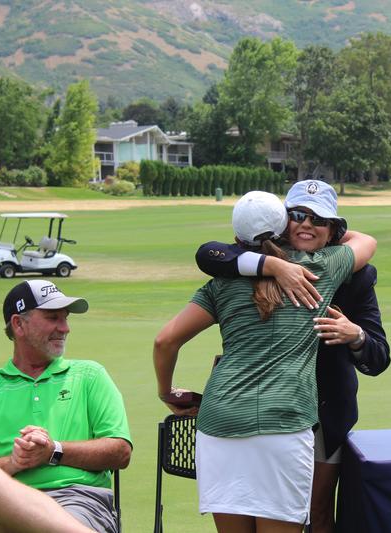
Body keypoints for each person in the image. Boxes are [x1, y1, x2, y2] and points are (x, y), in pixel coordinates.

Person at [154, 190, 376, 533]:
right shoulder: (322, 267)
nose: (305, 224)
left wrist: (166, 391)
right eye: (297, 217)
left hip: (219, 422)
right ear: (283, 226)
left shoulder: (222, 281)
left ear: (237, 236)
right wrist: (322, 229)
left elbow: (165, 340)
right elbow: (366, 241)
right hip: (285, 423)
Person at [0, 280, 133, 533]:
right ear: (18, 324)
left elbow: (120, 451)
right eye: (53, 318)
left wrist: (53, 451)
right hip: (1, 509)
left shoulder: (90, 375)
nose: (65, 328)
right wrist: (13, 463)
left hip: (78, 502)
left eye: (65, 318)